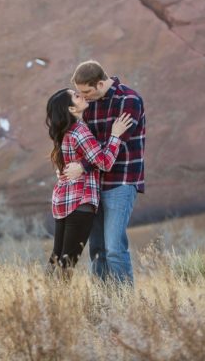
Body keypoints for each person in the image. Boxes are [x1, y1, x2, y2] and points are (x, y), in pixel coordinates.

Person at [63, 60, 145, 285]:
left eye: (87, 91)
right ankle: (102, 302)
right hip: (92, 186)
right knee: (96, 248)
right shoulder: (89, 105)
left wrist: (84, 166)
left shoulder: (129, 101)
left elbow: (117, 147)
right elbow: (87, 145)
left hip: (121, 181)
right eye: (80, 93)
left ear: (100, 83)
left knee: (114, 248)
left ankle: (123, 303)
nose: (84, 97)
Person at [46, 87, 133, 279]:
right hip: (80, 201)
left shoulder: (65, 132)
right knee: (67, 262)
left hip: (62, 200)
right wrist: (115, 136)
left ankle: (47, 300)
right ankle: (55, 305)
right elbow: (104, 162)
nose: (82, 96)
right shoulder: (80, 130)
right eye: (77, 96)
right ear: (71, 109)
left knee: (57, 257)